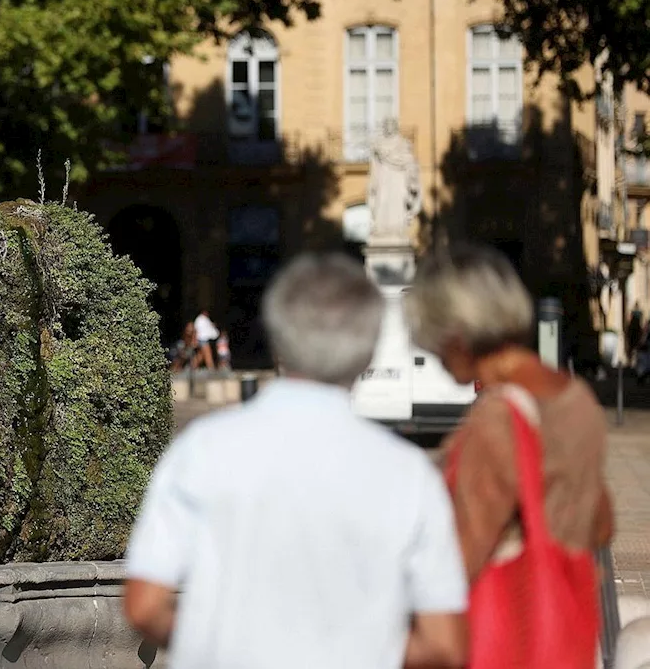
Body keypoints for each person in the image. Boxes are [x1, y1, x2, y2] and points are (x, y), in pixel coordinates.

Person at [125, 253, 467, 668]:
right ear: (368, 350)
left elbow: (144, 606)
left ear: (278, 338)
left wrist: (214, 642)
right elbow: (443, 644)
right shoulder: (409, 475)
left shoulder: (203, 449)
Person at [405, 244, 611, 666]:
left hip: (504, 641)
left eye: (435, 343)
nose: (437, 358)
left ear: (458, 337)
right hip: (565, 634)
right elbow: (601, 523)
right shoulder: (577, 399)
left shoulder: (498, 419)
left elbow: (458, 564)